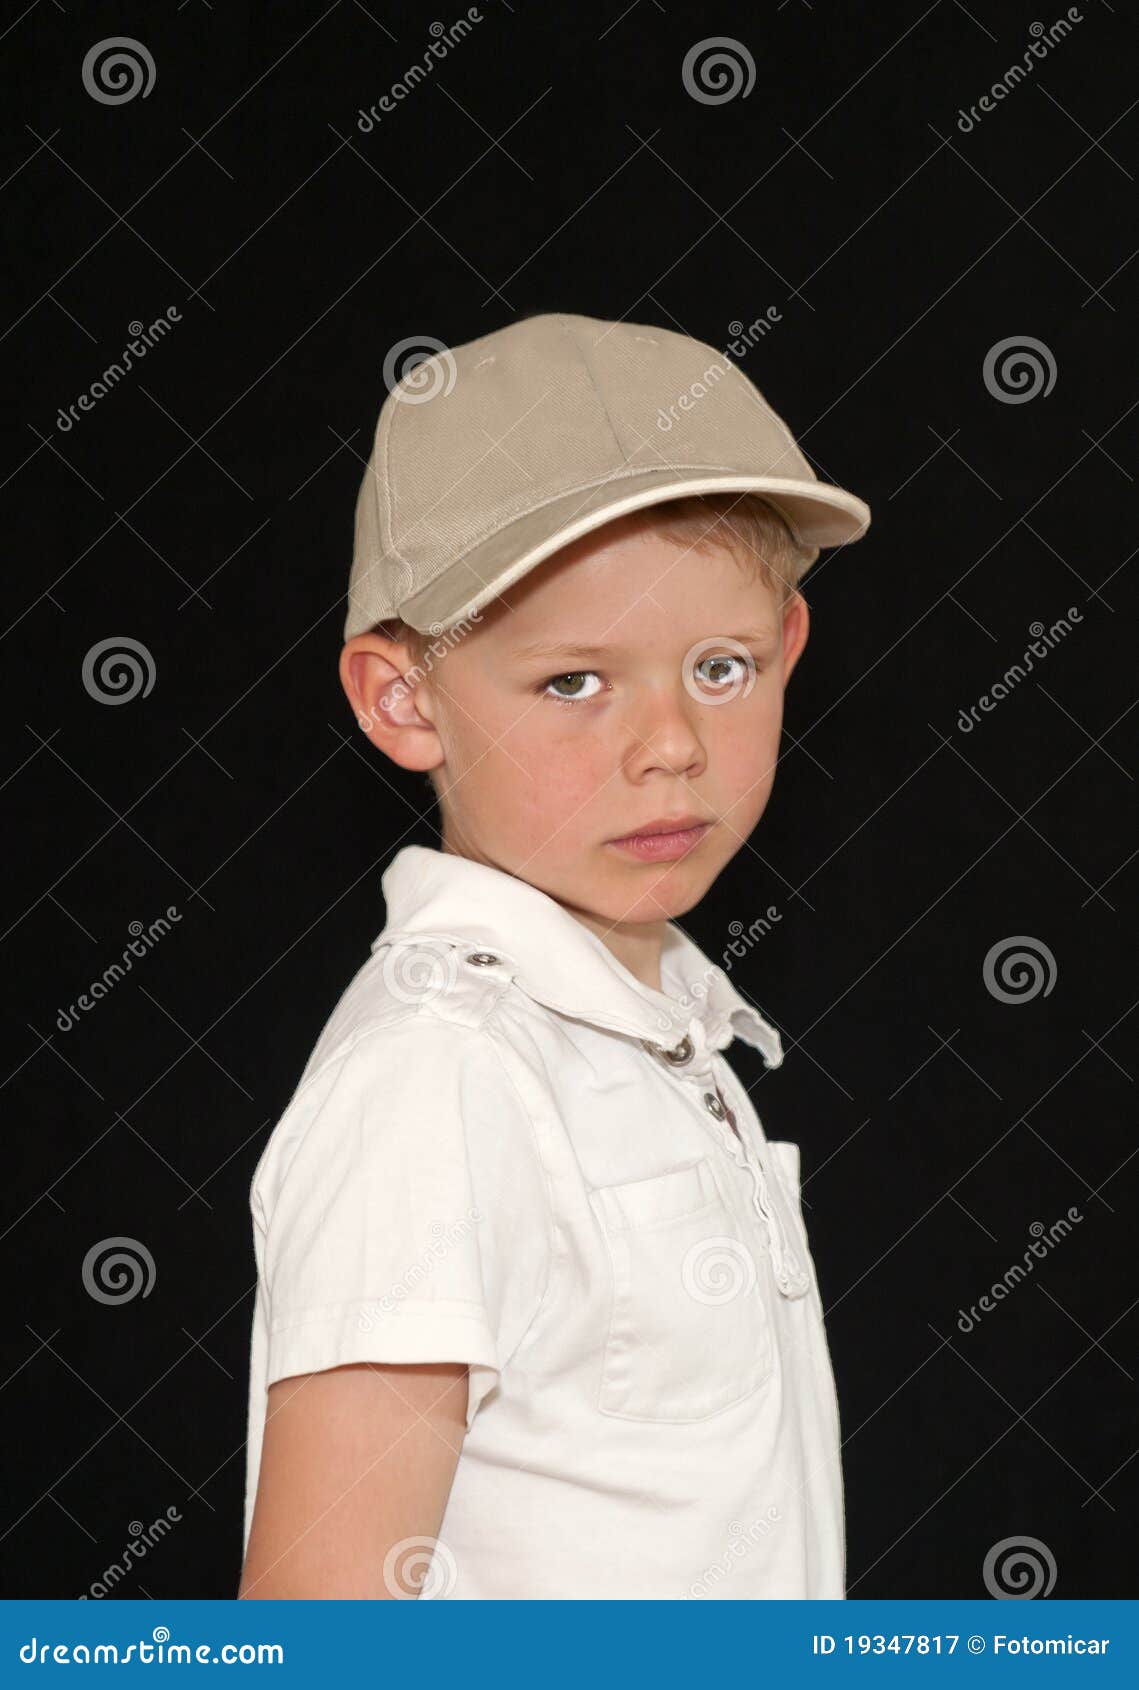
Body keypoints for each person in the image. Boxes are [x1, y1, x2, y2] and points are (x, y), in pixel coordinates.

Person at [238, 311, 871, 1599]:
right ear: (401, 700)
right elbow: (320, 1632)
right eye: (576, 682)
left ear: (789, 649)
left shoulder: (658, 1030)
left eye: (720, 665)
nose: (672, 744)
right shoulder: (442, 1078)